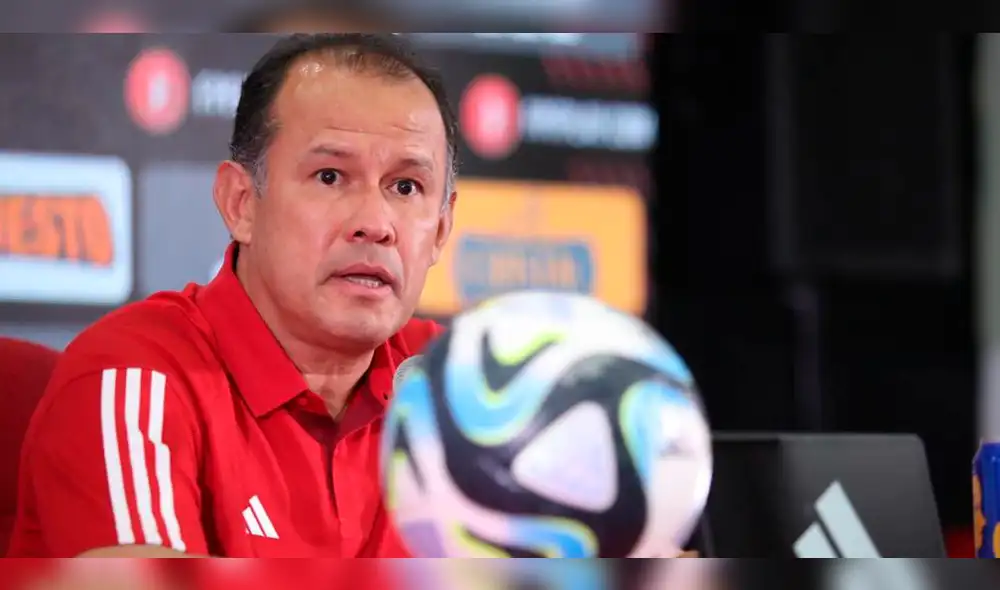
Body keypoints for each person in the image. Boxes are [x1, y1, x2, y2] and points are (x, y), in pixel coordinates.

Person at [7, 33, 457, 557]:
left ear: (440, 230)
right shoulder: (133, 375)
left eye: (405, 187)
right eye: (330, 176)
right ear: (241, 203)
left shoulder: (467, 386)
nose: (375, 224)